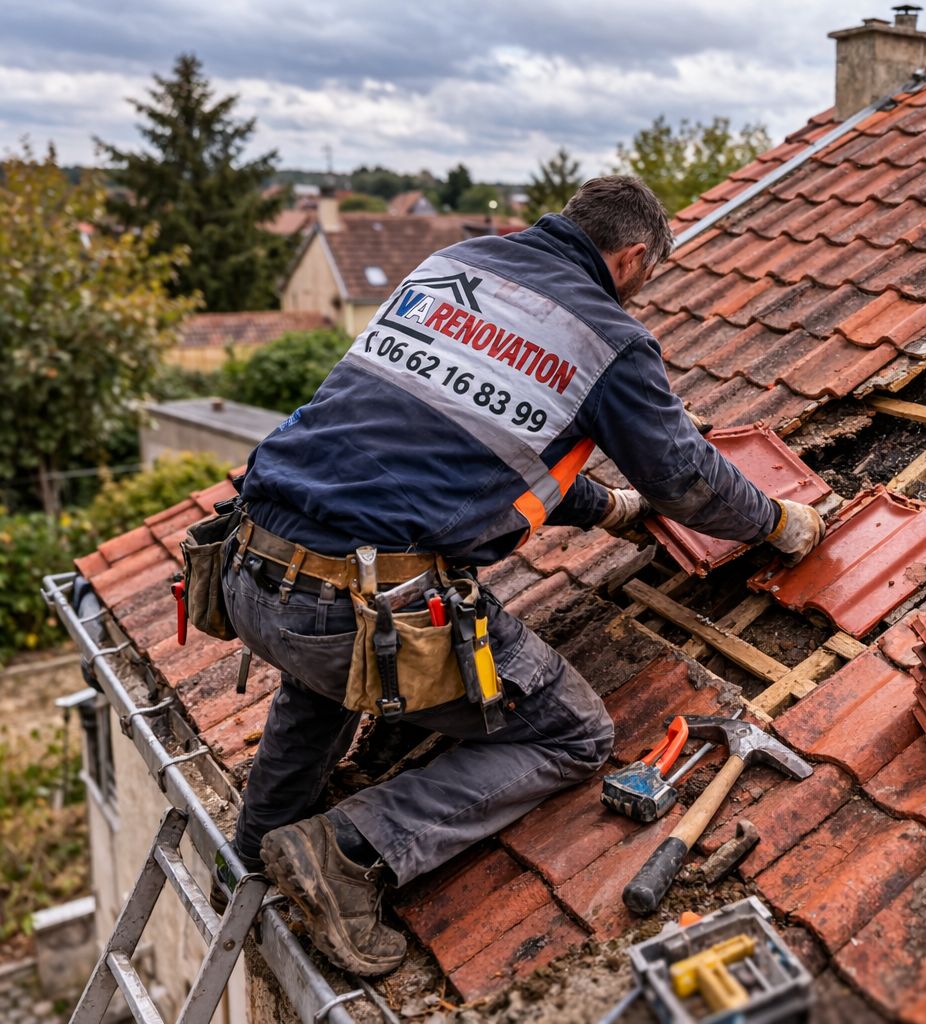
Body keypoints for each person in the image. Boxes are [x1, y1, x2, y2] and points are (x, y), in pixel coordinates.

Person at [219, 176, 823, 977]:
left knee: (330, 673)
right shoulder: (608, 338)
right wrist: (781, 522)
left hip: (247, 567)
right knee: (575, 733)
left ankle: (259, 848)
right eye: (649, 276)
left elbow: (463, 442)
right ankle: (344, 854)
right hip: (346, 607)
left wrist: (606, 507)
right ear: (634, 257)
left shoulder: (451, 266)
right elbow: (687, 481)